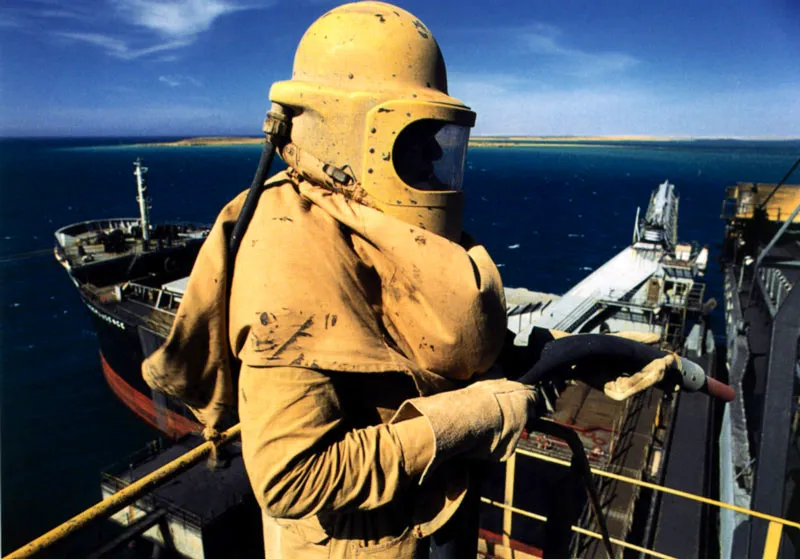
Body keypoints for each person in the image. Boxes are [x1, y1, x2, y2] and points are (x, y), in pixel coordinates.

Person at [142, 2, 672, 556]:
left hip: (429, 523)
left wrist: (569, 355)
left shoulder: (374, 227)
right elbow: (290, 479)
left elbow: (412, 358)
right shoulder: (289, 258)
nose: (431, 161)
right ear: (353, 134)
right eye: (414, 142)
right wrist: (472, 418)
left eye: (437, 142)